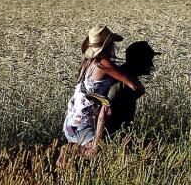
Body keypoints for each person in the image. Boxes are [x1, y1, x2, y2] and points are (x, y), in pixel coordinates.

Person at [60, 25, 144, 165]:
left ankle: (61, 166)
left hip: (69, 126)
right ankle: (70, 150)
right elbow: (133, 86)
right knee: (96, 152)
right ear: (109, 44)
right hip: (83, 127)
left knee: (85, 148)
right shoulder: (104, 63)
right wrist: (139, 90)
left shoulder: (86, 63)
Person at [103, 41, 159, 136]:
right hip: (111, 137)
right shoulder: (124, 83)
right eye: (149, 60)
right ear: (139, 61)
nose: (151, 65)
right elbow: (110, 115)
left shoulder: (125, 76)